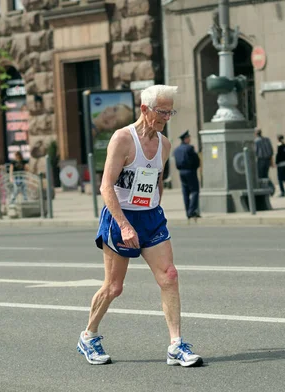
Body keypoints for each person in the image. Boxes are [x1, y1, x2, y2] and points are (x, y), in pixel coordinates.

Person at [77, 84, 203, 367]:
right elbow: (105, 186)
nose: (166, 118)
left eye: (170, 112)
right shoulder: (122, 139)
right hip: (120, 216)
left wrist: (153, 208)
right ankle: (88, 335)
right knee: (114, 287)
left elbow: (156, 181)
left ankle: (176, 345)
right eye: (161, 112)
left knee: (169, 276)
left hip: (150, 216)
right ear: (144, 109)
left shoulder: (165, 144)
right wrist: (124, 225)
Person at [173, 130, 201, 219]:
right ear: (185, 139)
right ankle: (191, 211)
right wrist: (196, 166)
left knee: (185, 192)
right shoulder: (189, 148)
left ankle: (188, 211)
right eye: (188, 138)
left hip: (181, 172)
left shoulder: (176, 150)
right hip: (190, 171)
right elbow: (196, 160)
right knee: (195, 191)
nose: (189, 140)